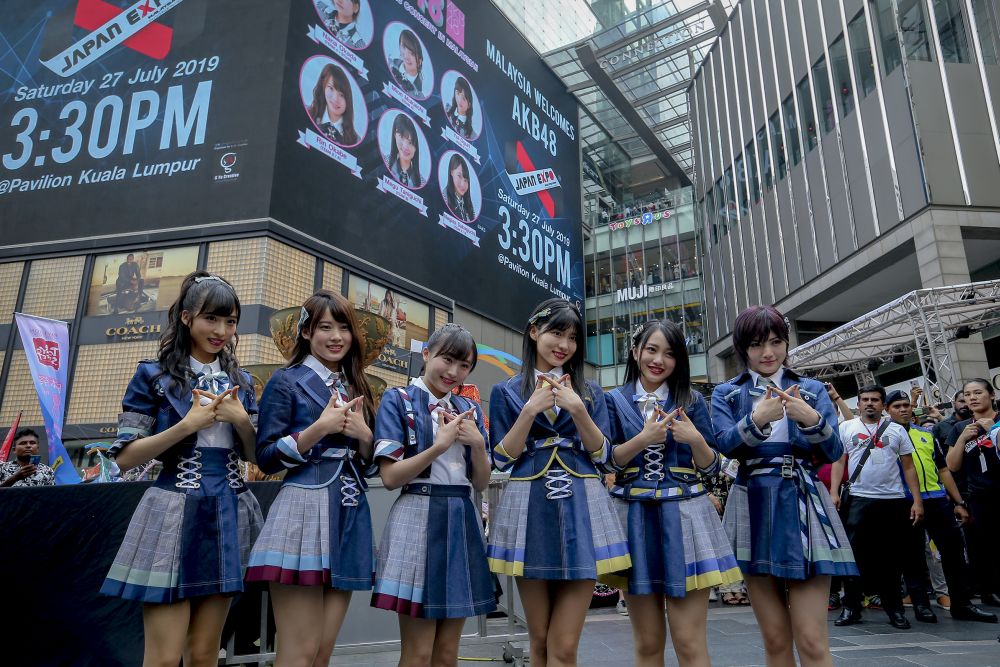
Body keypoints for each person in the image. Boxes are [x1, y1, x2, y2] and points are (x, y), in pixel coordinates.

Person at [100, 272, 262, 667]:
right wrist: (186, 426)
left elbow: (258, 457)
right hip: (172, 510)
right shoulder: (152, 376)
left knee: (205, 655)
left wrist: (242, 420)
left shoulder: (241, 381)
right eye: (212, 319)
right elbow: (124, 458)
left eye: (230, 321)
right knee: (162, 657)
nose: (221, 330)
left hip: (228, 511)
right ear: (187, 318)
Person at [487, 299, 629, 666]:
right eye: (555, 332)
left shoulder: (592, 392)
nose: (563, 344)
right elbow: (502, 458)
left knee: (564, 646)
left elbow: (603, 456)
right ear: (534, 332)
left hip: (581, 505)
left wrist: (578, 409)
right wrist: (530, 409)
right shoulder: (507, 391)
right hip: (529, 507)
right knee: (538, 640)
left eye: (571, 337)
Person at [711, 305, 855, 667]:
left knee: (811, 641)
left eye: (776, 342)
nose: (768, 353)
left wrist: (811, 418)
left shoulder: (810, 389)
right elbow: (724, 444)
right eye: (758, 344)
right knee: (775, 640)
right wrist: (757, 419)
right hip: (752, 499)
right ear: (743, 348)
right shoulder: (727, 393)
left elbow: (835, 450)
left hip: (803, 497)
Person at [246, 290, 377, 667]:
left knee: (321, 654)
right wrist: (317, 430)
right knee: (299, 653)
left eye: (343, 328)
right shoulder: (285, 381)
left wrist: (366, 438)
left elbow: (367, 465)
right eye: (325, 327)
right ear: (306, 332)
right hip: (303, 510)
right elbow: (266, 458)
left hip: (350, 513)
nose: (336, 337)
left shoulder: (358, 385)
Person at [604, 320, 741, 667]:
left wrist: (695, 439)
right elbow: (605, 461)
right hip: (634, 516)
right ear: (635, 352)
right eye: (651, 350)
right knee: (648, 644)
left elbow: (712, 469)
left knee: (689, 642)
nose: (658, 360)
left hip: (686, 514)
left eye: (669, 353)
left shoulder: (691, 400)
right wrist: (642, 440)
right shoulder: (613, 401)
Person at [371, 324, 494, 666]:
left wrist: (479, 445)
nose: (454, 371)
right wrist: (437, 447)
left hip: (461, 516)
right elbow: (391, 477)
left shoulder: (469, 408)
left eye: (465, 365)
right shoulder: (398, 400)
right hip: (416, 514)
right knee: (418, 652)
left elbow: (481, 482)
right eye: (447, 359)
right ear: (426, 354)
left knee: (446, 654)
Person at [882, 390, 996, 623]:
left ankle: (962, 604)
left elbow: (943, 469)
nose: (904, 409)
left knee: (954, 552)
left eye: (906, 405)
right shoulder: (884, 437)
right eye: (897, 406)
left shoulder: (926, 434)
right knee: (913, 556)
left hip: (937, 501)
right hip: (905, 501)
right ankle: (922, 606)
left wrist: (959, 502)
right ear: (887, 410)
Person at [830, 385, 923, 629]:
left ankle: (895, 610)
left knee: (891, 558)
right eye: (865, 400)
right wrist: (833, 492)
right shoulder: (846, 428)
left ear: (883, 405)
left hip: (893, 500)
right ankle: (851, 607)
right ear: (858, 404)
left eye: (875, 400)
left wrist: (917, 500)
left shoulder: (896, 430)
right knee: (854, 556)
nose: (870, 403)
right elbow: (839, 461)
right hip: (859, 499)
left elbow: (909, 467)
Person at [946, 378, 1000, 607]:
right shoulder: (960, 427)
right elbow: (952, 465)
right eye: (968, 395)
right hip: (978, 495)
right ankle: (989, 590)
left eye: (978, 393)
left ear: (991, 395)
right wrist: (962, 439)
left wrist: (993, 430)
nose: (973, 398)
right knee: (984, 548)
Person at [308, 63, 358, 145]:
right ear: (323, 86)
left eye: (342, 95)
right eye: (331, 88)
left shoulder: (355, 139)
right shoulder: (309, 114)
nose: (335, 99)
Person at [387, 113, 422, 188]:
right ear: (395, 135)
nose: (405, 146)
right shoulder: (385, 164)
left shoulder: (421, 182)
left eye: (410, 142)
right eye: (402, 137)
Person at [390, 29, 425, 97]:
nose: (406, 56)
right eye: (403, 48)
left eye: (412, 53)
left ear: (419, 61)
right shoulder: (391, 64)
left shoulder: (419, 93)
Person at [445, 153, 475, 222]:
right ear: (451, 172)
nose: (462, 184)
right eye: (459, 176)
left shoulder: (469, 207)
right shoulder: (444, 196)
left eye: (466, 180)